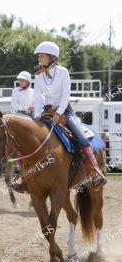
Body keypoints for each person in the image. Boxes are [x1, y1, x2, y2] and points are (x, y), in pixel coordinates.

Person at [33, 41, 107, 188]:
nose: (39, 58)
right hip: (45, 112)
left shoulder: (63, 72)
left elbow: (66, 95)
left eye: (41, 55)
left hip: (65, 111)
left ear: (52, 57)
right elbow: (37, 98)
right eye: (38, 56)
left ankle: (94, 171)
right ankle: (25, 178)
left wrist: (58, 113)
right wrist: (36, 116)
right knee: (27, 134)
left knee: (80, 137)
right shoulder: (38, 76)